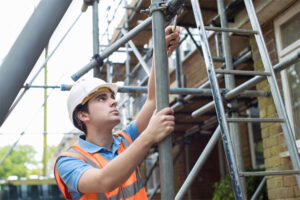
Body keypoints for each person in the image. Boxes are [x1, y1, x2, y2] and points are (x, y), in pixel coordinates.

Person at [54, 26, 180, 200]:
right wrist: (149, 135)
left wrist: (161, 52)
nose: (114, 101)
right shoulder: (69, 161)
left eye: (112, 97)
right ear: (83, 115)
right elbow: (103, 181)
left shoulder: (125, 139)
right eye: (101, 99)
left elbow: (154, 100)